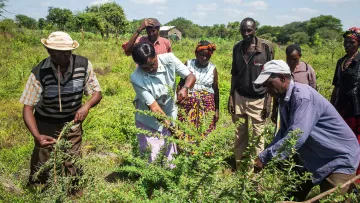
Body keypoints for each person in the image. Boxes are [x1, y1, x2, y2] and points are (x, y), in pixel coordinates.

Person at [254, 60, 360, 201]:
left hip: (338, 157)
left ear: (281, 77)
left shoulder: (302, 96)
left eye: (268, 84)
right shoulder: (284, 99)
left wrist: (266, 157)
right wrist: (265, 156)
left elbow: (297, 136)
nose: (267, 89)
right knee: (290, 195)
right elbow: (283, 133)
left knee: (333, 198)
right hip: (312, 157)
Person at [20, 32, 102, 189]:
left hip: (72, 121)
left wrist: (86, 106)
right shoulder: (39, 72)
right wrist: (37, 135)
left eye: (67, 51)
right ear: (49, 51)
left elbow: (97, 93)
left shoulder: (83, 65)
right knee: (43, 159)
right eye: (58, 52)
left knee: (73, 158)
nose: (64, 56)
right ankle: (40, 190)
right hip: (45, 121)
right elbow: (28, 107)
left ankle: (73, 191)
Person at [130, 42, 196, 163]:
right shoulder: (136, 77)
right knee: (152, 158)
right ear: (139, 65)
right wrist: (174, 130)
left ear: (156, 55)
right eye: (146, 67)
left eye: (152, 64)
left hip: (170, 113)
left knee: (170, 157)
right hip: (149, 121)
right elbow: (155, 108)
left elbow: (190, 76)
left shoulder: (169, 59)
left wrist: (185, 88)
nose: (151, 69)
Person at [228, 17, 274, 167]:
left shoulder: (266, 48)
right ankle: (241, 167)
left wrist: (268, 102)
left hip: (259, 99)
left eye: (249, 30)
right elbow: (234, 74)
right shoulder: (237, 48)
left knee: (258, 137)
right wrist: (231, 97)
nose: (246, 33)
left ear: (255, 30)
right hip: (240, 97)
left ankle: (256, 171)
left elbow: (271, 76)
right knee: (239, 135)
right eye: (243, 30)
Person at [331, 27, 360, 184]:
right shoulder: (340, 62)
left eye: (351, 42)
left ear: (358, 43)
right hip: (341, 109)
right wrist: (330, 107)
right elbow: (337, 86)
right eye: (345, 41)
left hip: (357, 111)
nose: (347, 44)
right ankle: (343, 175)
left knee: (357, 143)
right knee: (344, 142)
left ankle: (356, 180)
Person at [177, 40, 219, 141]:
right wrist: (177, 102)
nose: (204, 58)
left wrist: (217, 110)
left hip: (207, 106)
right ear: (196, 53)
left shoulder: (213, 69)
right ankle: (186, 153)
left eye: (207, 56)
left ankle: (204, 154)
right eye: (201, 55)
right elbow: (181, 84)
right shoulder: (188, 64)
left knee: (205, 131)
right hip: (188, 104)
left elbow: (216, 89)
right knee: (186, 129)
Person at [271, 44, 317, 123]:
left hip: (302, 109)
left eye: (294, 59)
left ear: (300, 56)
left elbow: (314, 91)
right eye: (288, 59)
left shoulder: (307, 70)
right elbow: (276, 92)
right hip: (284, 108)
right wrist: (274, 110)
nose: (291, 62)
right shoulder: (281, 70)